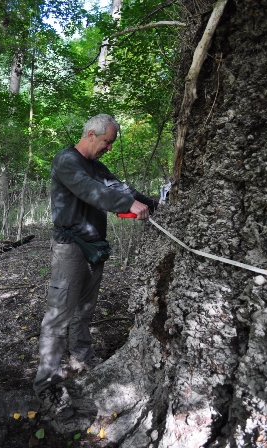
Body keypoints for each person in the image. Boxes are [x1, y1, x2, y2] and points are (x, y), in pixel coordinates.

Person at [33, 114, 158, 418]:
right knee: (58, 316)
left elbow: (120, 188)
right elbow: (88, 189)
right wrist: (126, 206)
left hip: (94, 248)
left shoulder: (97, 167)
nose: (109, 148)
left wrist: (152, 203)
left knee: (85, 309)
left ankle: (82, 356)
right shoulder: (67, 161)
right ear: (91, 134)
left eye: (111, 143)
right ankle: (46, 385)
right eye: (107, 142)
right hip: (71, 248)